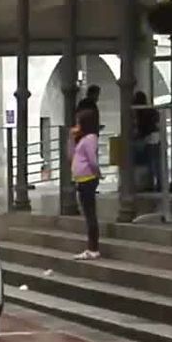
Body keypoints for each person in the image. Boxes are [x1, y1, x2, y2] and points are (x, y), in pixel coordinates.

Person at [71, 108, 101, 261]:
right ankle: (91, 247)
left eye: (79, 123)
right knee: (87, 213)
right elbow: (70, 155)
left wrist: (97, 173)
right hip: (81, 179)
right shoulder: (83, 138)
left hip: (88, 178)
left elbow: (92, 159)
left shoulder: (90, 138)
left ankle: (93, 248)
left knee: (90, 214)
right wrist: (72, 137)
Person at [133, 91, 162, 192]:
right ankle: (159, 184)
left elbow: (141, 128)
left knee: (149, 163)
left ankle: (149, 184)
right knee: (156, 162)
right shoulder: (151, 110)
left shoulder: (139, 111)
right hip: (155, 138)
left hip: (147, 138)